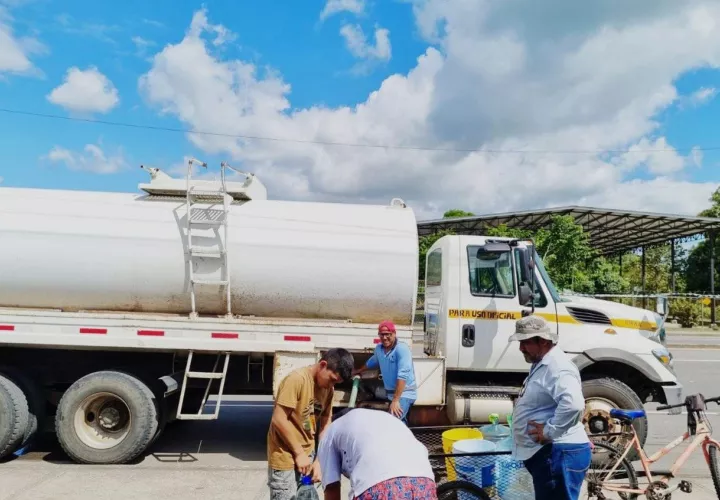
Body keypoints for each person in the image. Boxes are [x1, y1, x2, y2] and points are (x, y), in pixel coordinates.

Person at [508, 315, 591, 500]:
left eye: (525, 342)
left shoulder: (558, 366)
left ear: (543, 341)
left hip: (558, 453)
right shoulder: (542, 363)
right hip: (551, 454)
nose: (521, 348)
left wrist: (549, 431)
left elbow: (574, 404)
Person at [267, 348, 355, 500]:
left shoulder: (328, 389)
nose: (331, 385)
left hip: (307, 458)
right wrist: (299, 453)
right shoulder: (297, 380)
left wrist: (320, 459)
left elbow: (326, 421)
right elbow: (278, 419)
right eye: (332, 379)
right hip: (285, 456)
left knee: (306, 496)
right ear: (322, 365)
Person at [317, 407, 437, 500]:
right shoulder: (385, 418)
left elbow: (331, 487)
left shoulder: (330, 432)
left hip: (383, 487)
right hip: (425, 482)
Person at [352, 320, 417, 424]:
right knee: (401, 425)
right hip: (392, 394)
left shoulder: (402, 349)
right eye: (382, 334)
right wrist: (358, 370)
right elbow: (372, 361)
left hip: (404, 394)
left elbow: (403, 375)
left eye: (388, 334)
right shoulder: (379, 349)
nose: (384, 337)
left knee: (393, 423)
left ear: (394, 334)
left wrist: (396, 400)